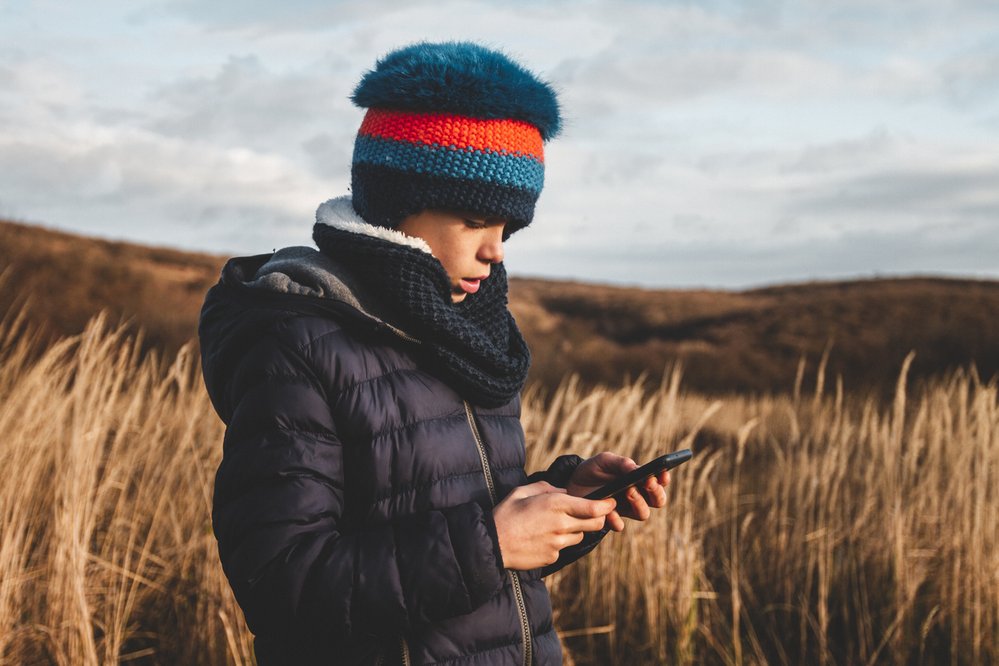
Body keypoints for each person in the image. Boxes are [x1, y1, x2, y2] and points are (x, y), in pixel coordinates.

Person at [198, 41, 670, 666]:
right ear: (400, 203)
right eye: (477, 220)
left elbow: (461, 530)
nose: (496, 251)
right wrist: (493, 542)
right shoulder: (299, 342)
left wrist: (562, 501)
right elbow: (283, 581)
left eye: (509, 229)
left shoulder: (472, 334)